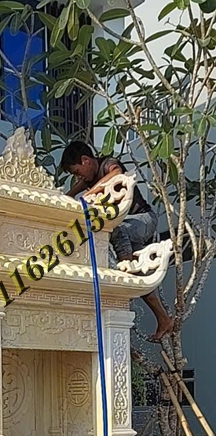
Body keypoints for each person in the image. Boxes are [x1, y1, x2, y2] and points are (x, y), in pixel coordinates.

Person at [60, 141, 173, 342]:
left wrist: (89, 194)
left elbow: (117, 173)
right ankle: (164, 319)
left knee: (116, 231)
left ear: (86, 160)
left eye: (77, 172)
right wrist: (66, 198)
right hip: (128, 228)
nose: (79, 177)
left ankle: (124, 273)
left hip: (143, 220)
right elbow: (76, 190)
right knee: (141, 278)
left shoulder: (107, 164)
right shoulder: (88, 178)